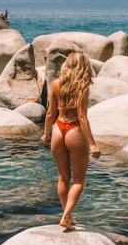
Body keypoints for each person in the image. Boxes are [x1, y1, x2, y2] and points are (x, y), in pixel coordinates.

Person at [41, 51, 101, 230]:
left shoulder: (56, 84)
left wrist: (45, 134)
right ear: (83, 67)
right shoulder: (83, 86)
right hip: (74, 129)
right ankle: (66, 216)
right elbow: (82, 117)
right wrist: (93, 143)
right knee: (78, 180)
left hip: (58, 129)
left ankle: (67, 215)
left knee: (62, 178)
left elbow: (51, 113)